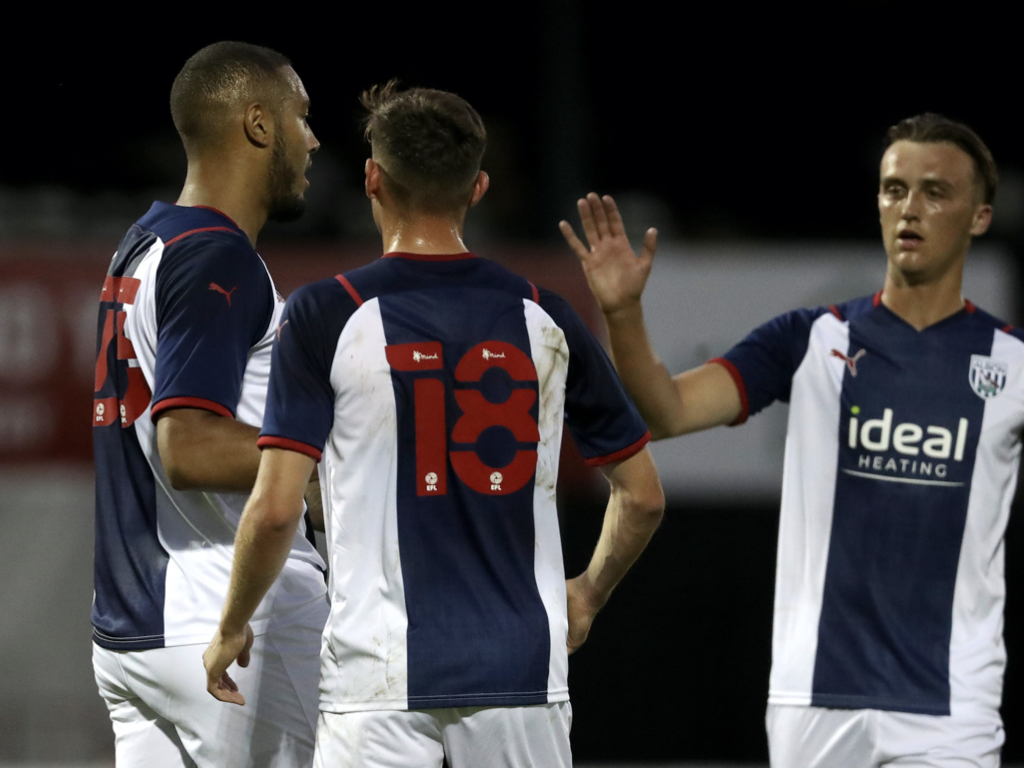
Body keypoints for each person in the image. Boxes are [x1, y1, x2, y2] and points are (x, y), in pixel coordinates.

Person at [202, 81, 665, 768]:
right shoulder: (546, 314)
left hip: (375, 675)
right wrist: (588, 593)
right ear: (478, 188)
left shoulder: (325, 313)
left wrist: (232, 625)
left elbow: (274, 511)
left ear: (371, 178)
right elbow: (644, 495)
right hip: (521, 676)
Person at [560, 113, 1013, 767]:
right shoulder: (811, 337)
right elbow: (666, 411)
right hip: (813, 702)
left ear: (978, 216)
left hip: (954, 706)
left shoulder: (1013, 365)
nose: (909, 208)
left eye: (935, 192)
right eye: (893, 189)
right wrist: (623, 312)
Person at [90, 41, 328, 768]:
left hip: (135, 626)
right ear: (259, 124)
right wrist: (334, 465)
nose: (314, 140)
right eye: (301, 116)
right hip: (237, 617)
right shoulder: (218, 255)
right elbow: (188, 446)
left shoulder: (144, 242)